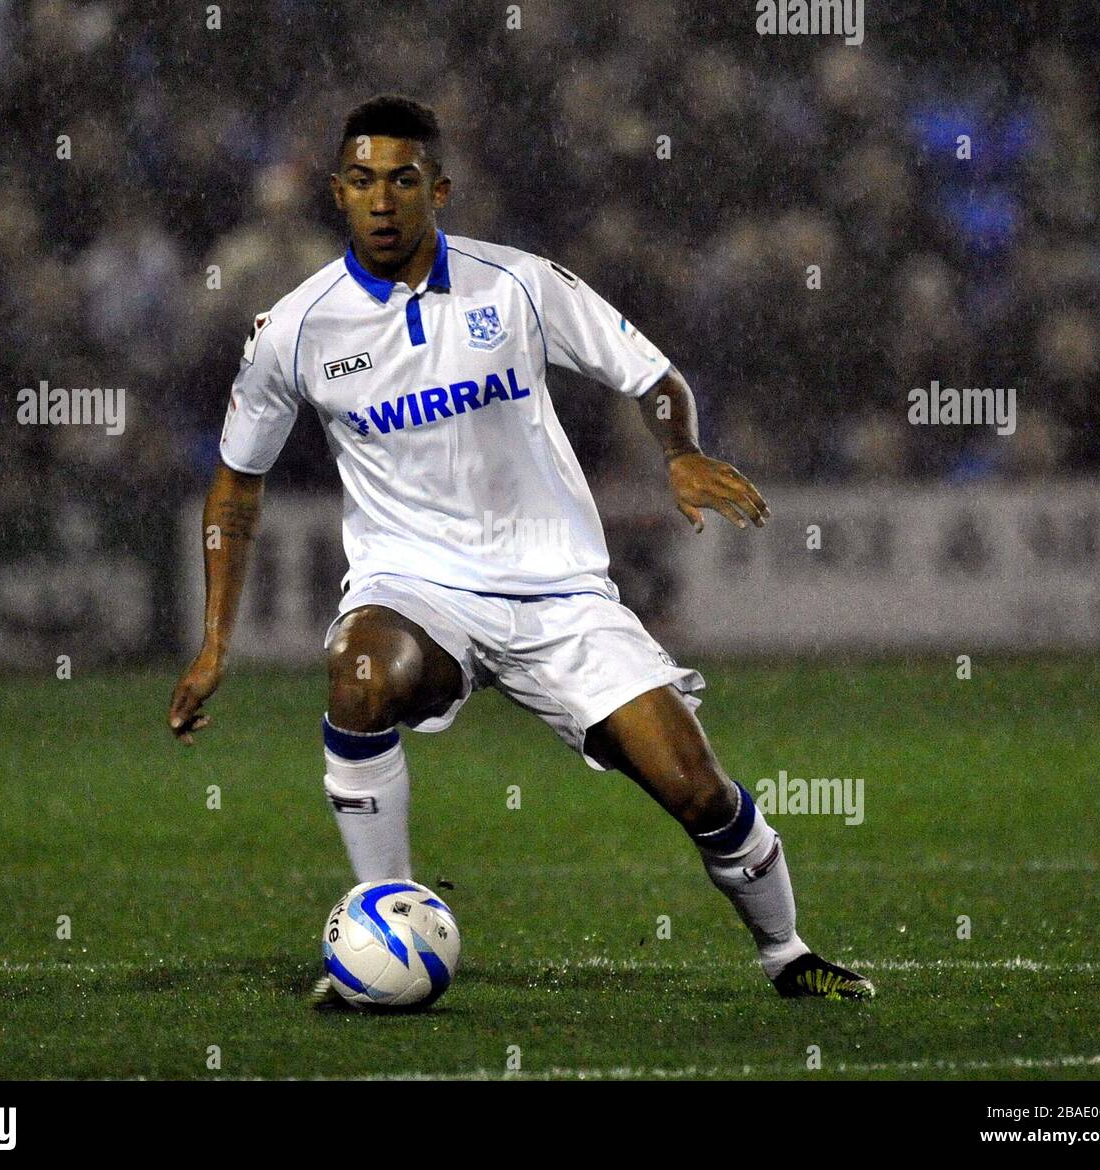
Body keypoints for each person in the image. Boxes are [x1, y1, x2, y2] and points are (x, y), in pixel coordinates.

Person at [169, 95, 874, 1004]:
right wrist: (216, 642)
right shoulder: (293, 332)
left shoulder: (521, 286)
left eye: (403, 181)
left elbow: (651, 374)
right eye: (362, 181)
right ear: (337, 193)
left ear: (440, 190)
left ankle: (787, 953)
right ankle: (381, 920)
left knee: (697, 788)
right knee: (359, 672)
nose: (382, 201)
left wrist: (681, 448)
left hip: (559, 593)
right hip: (416, 586)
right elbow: (236, 485)